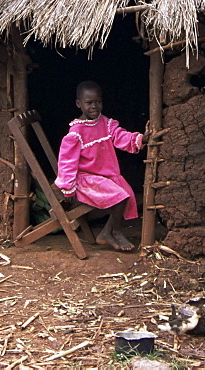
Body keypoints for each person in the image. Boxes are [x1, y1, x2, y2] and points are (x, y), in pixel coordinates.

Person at [54, 80, 150, 251]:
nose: (94, 107)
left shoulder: (105, 123)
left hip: (106, 175)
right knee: (120, 196)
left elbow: (120, 136)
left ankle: (106, 232)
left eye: (98, 102)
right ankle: (117, 232)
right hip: (87, 179)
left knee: (127, 193)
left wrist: (142, 139)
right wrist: (68, 187)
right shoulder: (76, 132)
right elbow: (66, 162)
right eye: (89, 103)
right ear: (79, 104)